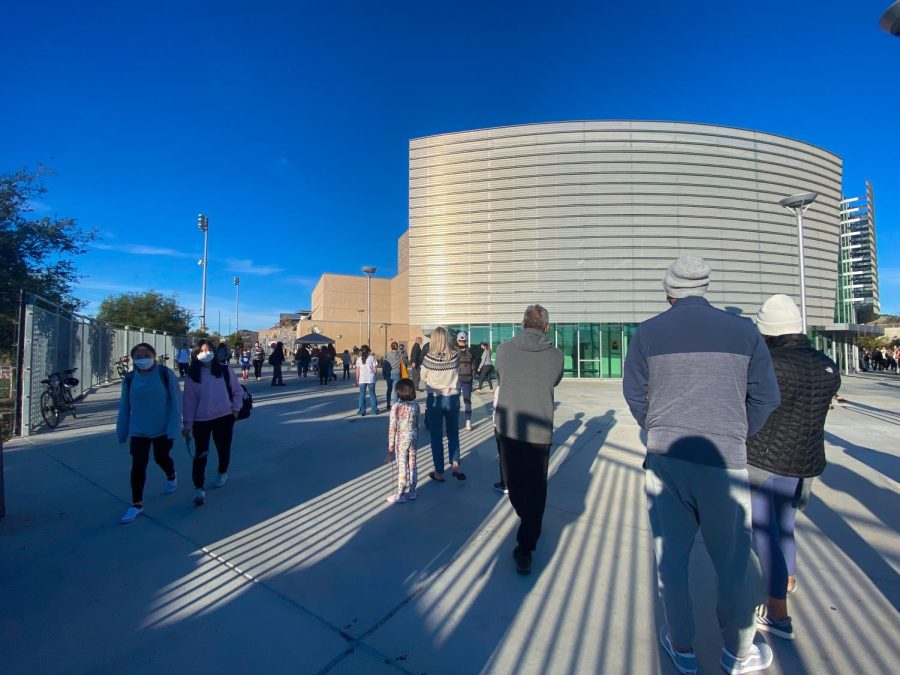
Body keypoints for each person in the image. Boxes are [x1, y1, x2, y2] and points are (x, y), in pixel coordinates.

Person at [623, 256, 781, 675]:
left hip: (665, 458)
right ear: (705, 287)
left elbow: (635, 394)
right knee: (732, 561)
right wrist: (736, 430)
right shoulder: (744, 332)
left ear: (670, 290)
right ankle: (738, 652)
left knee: (670, 558)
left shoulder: (647, 333)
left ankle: (683, 648)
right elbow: (767, 398)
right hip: (723, 459)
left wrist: (653, 424)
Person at [747, 295, 841, 641]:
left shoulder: (769, 364)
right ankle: (786, 578)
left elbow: (753, 407)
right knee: (785, 522)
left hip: (765, 457)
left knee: (763, 528)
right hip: (805, 459)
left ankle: (778, 614)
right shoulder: (828, 364)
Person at [494, 305, 563, 575]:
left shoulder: (503, 350)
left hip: (508, 427)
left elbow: (501, 376)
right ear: (545, 327)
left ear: (522, 323)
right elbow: (554, 380)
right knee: (536, 486)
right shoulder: (556, 355)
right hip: (539, 430)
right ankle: (528, 533)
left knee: (514, 482)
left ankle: (526, 533)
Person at [116, 342, 181, 524]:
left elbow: (176, 404)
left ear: (153, 355)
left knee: (161, 457)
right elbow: (124, 407)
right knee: (138, 466)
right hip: (138, 431)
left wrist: (173, 430)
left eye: (146, 354)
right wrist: (122, 431)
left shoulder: (165, 374)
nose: (142, 358)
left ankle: (171, 474)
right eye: (138, 356)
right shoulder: (129, 379)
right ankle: (136, 504)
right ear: (133, 359)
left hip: (162, 429)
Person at [182, 339, 244, 506]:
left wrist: (235, 410)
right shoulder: (192, 374)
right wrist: (187, 424)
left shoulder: (224, 370)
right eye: (201, 350)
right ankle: (199, 488)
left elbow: (237, 391)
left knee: (223, 449)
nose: (206, 352)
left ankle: (223, 472)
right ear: (195, 354)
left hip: (224, 418)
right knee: (201, 454)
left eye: (209, 349)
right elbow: (189, 401)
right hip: (201, 421)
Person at [421, 327, 463, 482]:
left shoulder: (428, 358)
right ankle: (456, 463)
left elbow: (422, 376)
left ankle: (439, 471)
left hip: (435, 398)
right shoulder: (455, 356)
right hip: (452, 397)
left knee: (436, 435)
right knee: (453, 432)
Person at [386, 378, 420, 504]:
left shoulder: (396, 407)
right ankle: (412, 491)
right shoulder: (416, 405)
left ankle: (400, 494)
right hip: (413, 437)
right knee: (412, 464)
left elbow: (392, 428)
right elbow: (417, 423)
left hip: (401, 439)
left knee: (402, 466)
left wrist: (390, 446)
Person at [456, 332, 476, 430]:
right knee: (467, 401)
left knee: (455, 400)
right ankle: (468, 422)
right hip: (468, 378)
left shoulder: (453, 351)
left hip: (457, 379)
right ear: (466, 340)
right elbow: (474, 365)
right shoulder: (470, 350)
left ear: (457, 340)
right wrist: (473, 376)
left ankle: (454, 421)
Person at [355, 344, 379, 416]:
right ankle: (374, 411)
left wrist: (356, 380)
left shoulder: (359, 359)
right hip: (370, 379)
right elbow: (375, 370)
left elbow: (357, 371)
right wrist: (374, 373)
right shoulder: (372, 358)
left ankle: (361, 411)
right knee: (372, 394)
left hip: (362, 379)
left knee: (362, 395)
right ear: (368, 351)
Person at [384, 341, 408, 406]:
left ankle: (388, 403)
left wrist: (384, 374)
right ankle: (395, 404)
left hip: (389, 373)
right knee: (396, 390)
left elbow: (385, 365)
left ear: (391, 347)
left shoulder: (388, 354)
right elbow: (405, 362)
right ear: (397, 347)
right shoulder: (400, 354)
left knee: (389, 389)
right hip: (397, 373)